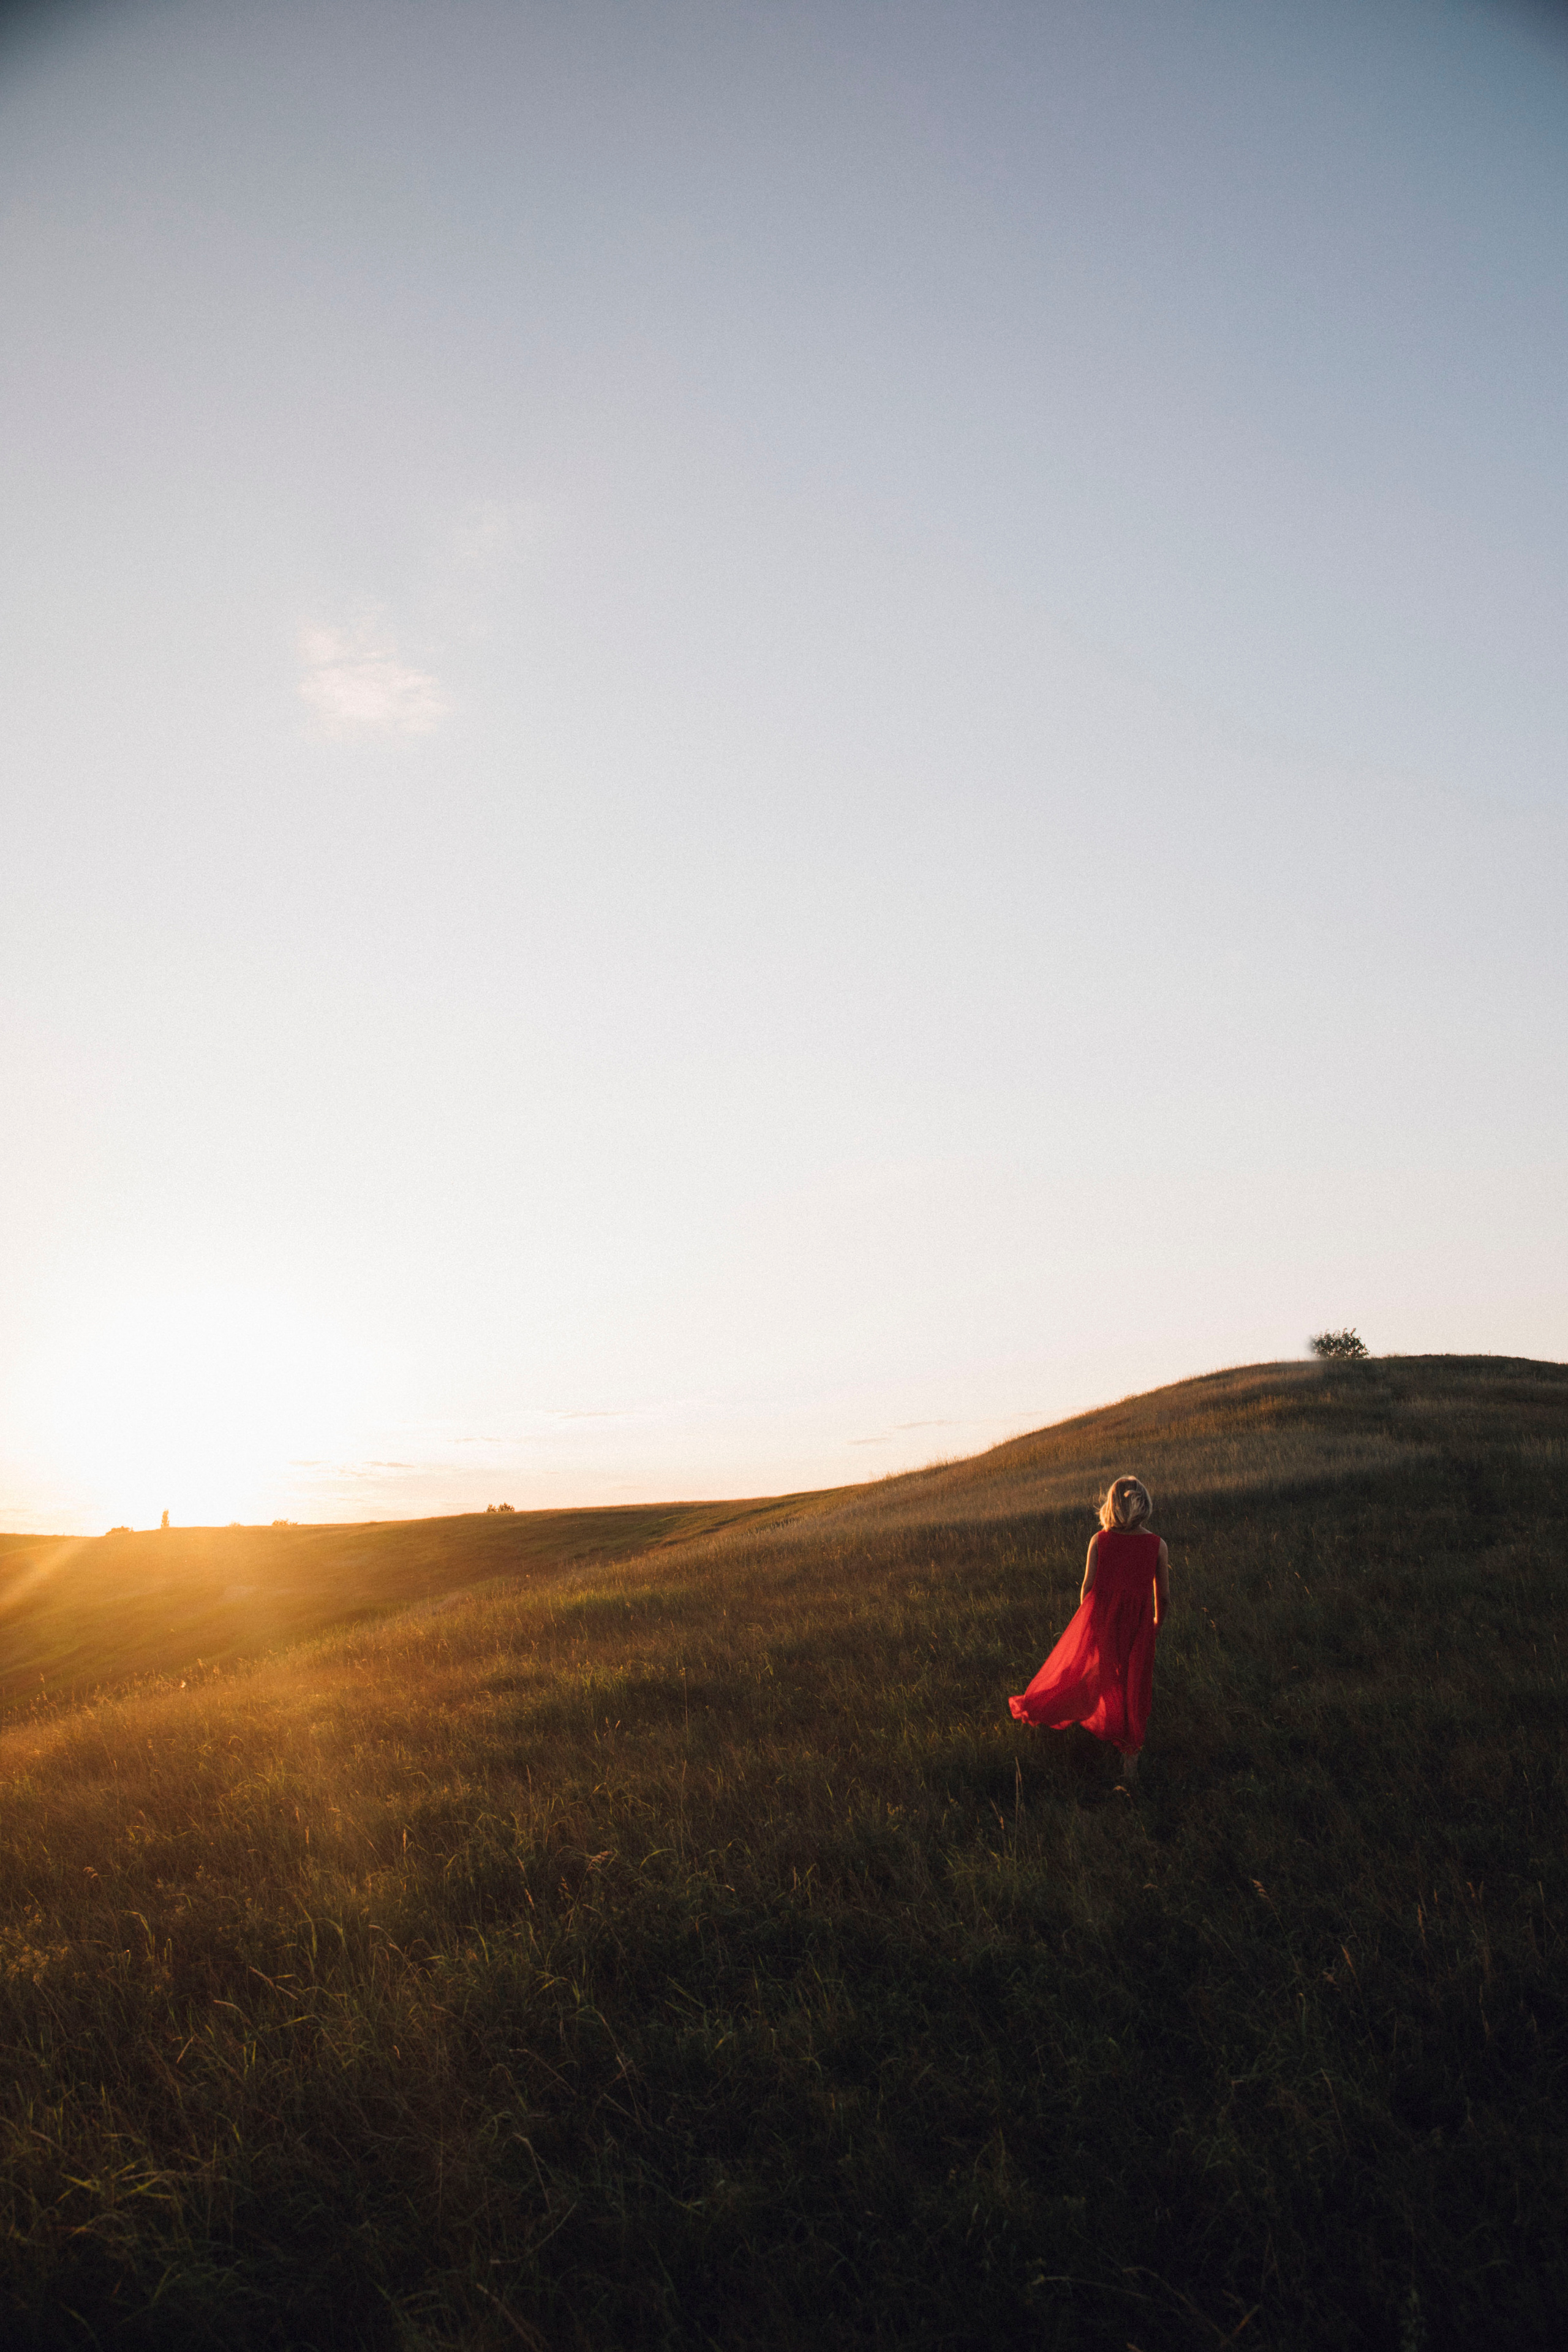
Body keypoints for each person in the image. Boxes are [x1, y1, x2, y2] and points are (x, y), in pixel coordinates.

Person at [1008, 1475, 1169, 1778]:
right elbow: (1164, 1597)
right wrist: (1156, 1625)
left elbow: (1087, 1588)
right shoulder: (1157, 1545)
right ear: (1144, 1504)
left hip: (1103, 1622)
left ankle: (1068, 1714)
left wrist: (1090, 1624)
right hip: (1138, 1627)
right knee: (1134, 1684)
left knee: (1099, 1675)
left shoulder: (1100, 1540)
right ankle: (1129, 1755)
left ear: (1112, 1506)